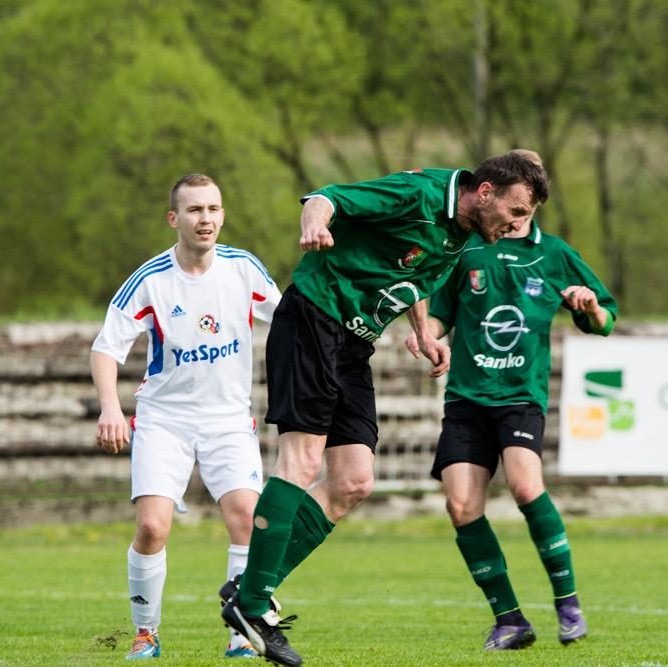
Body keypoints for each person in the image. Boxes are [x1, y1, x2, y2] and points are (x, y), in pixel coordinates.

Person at [219, 152, 550, 666]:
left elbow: (413, 273)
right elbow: (327, 198)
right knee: (301, 462)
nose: (517, 224)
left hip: (354, 342)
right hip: (314, 317)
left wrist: (423, 331)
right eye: (517, 211)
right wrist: (314, 225)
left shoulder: (465, 230)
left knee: (353, 480)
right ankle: (255, 605)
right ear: (485, 192)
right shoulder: (420, 195)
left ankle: (250, 590)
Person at [404, 150, 617, 651]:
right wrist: (424, 334)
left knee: (524, 486)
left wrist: (588, 307)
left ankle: (568, 603)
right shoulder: (467, 249)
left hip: (520, 396)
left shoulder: (555, 254)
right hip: (466, 398)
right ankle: (510, 620)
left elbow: (606, 318)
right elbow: (442, 313)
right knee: (460, 506)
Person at [91, 173, 281, 660]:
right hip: (164, 421)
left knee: (247, 518)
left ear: (223, 215)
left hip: (228, 420)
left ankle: (243, 631)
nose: (206, 219)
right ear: (174, 219)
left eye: (213, 209)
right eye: (195, 210)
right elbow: (106, 348)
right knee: (152, 528)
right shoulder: (151, 279)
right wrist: (111, 407)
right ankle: (146, 632)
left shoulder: (243, 269)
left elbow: (288, 322)